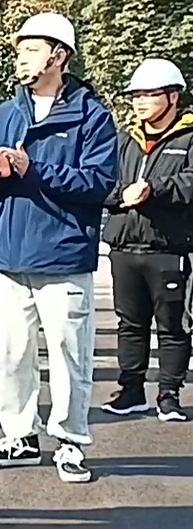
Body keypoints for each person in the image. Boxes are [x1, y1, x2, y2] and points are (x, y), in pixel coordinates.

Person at [0, 12, 117, 483]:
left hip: (63, 254)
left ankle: (70, 441)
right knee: (8, 355)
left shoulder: (91, 116)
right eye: (20, 50)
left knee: (70, 355)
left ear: (59, 56)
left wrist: (32, 170)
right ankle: (19, 436)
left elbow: (98, 183)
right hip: (8, 254)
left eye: (32, 49)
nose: (22, 58)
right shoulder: (3, 115)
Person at [101, 58, 193, 423]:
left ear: (173, 97)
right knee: (130, 323)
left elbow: (189, 182)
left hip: (168, 248)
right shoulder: (124, 140)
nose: (139, 102)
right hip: (125, 246)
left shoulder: (188, 138)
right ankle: (131, 390)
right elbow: (102, 183)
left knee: (172, 324)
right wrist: (119, 195)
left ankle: (169, 394)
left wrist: (155, 189)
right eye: (135, 95)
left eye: (148, 94)